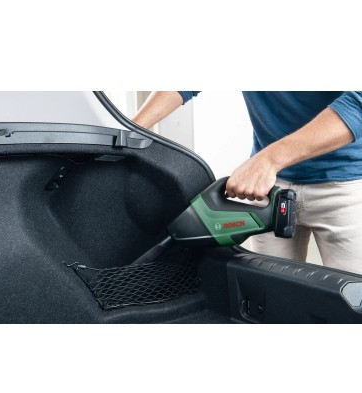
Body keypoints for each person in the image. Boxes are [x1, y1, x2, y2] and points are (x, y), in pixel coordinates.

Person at [132, 91, 362, 274]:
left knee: (352, 302)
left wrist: (269, 159)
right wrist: (129, 130)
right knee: (271, 298)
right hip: (267, 189)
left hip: (347, 185)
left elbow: (358, 102)